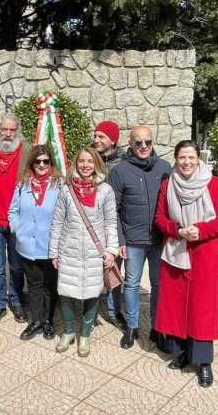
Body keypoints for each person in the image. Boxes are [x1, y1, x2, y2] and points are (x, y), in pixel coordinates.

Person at [153, 140, 218, 388]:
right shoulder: (168, 184)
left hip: (204, 254)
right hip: (177, 251)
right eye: (182, 158)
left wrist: (201, 230)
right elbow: (160, 218)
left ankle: (204, 362)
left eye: (191, 158)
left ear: (199, 160)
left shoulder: (213, 183)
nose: (186, 162)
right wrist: (178, 230)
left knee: (202, 309)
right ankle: (184, 352)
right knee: (177, 307)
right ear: (176, 159)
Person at [49, 147, 118, 357]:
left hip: (94, 253)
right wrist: (54, 252)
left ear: (96, 163)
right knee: (66, 293)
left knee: (92, 294)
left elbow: (110, 223)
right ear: (75, 164)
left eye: (90, 161)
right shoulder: (66, 190)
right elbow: (58, 222)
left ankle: (85, 335)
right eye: (81, 161)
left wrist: (111, 251)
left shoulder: (105, 190)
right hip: (68, 250)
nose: (85, 165)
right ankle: (69, 331)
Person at [109, 125, 171, 350]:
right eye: (138, 142)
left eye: (147, 142)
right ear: (130, 143)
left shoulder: (165, 168)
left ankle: (157, 328)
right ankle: (132, 327)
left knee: (159, 285)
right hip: (133, 240)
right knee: (132, 284)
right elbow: (112, 209)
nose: (143, 146)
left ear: (153, 142)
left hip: (159, 241)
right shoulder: (120, 171)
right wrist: (121, 241)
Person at [8, 145, 62, 341]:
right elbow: (12, 211)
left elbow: (65, 214)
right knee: (34, 285)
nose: (41, 164)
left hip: (50, 246)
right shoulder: (23, 184)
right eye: (37, 161)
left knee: (50, 285)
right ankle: (36, 321)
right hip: (27, 245)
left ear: (51, 163)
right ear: (31, 162)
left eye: (45, 161)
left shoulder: (59, 184)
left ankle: (48, 321)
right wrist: (18, 230)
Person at [0, 114, 31, 326]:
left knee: (17, 266)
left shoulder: (28, 151)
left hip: (18, 221)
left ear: (18, 131)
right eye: (4, 129)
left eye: (12, 130)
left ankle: (17, 301)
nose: (8, 134)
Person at [92, 120, 126, 327]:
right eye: (95, 136)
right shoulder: (89, 159)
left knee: (112, 269)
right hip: (92, 225)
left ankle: (114, 311)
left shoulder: (123, 163)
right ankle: (92, 311)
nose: (96, 140)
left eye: (101, 136)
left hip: (115, 226)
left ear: (113, 140)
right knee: (94, 271)